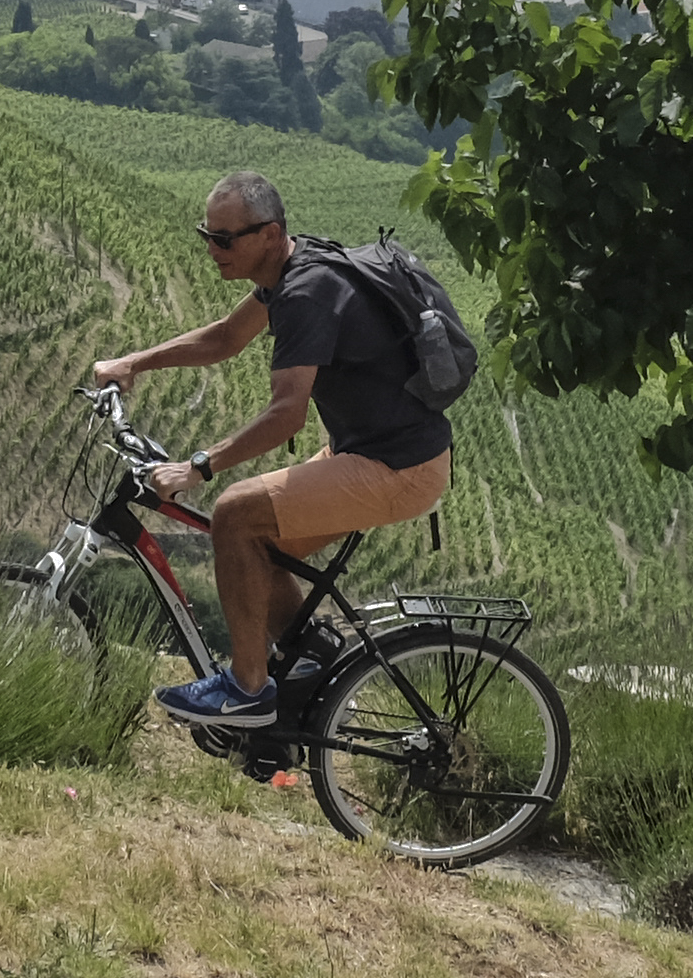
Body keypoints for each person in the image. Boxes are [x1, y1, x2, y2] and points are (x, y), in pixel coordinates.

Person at [87, 169, 454, 731]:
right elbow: (227, 338)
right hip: (375, 450)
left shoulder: (305, 292)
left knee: (234, 512)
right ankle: (309, 660)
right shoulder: (289, 270)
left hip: (398, 467)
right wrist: (132, 363)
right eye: (207, 235)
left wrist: (198, 466)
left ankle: (248, 691)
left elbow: (288, 412)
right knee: (254, 542)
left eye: (225, 238)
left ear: (269, 233)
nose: (213, 249)